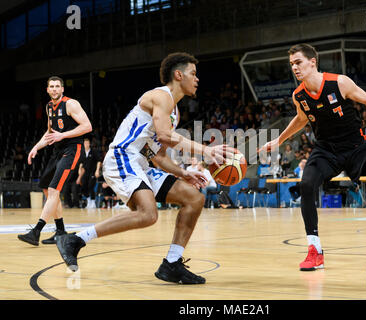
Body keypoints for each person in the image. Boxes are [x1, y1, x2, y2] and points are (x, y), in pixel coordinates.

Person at [55, 52, 234, 284]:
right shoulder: (161, 96)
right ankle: (75, 240)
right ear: (178, 75)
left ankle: (171, 264)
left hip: (139, 161)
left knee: (194, 199)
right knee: (148, 214)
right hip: (121, 156)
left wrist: (184, 173)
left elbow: (157, 156)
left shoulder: (175, 113)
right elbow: (164, 135)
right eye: (193, 74)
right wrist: (206, 150)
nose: (197, 79)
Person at [258, 43, 366, 271]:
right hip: (326, 150)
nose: (295, 68)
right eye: (291, 64)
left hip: (357, 146)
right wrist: (278, 140)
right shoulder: (298, 95)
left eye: (298, 62)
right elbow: (301, 118)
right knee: (307, 184)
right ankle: (315, 250)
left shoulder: (339, 82)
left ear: (313, 62)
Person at [18, 76, 92, 246]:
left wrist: (63, 135)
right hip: (58, 151)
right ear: (47, 90)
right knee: (45, 186)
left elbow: (87, 126)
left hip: (73, 150)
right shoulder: (49, 107)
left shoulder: (71, 104)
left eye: (57, 86)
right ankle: (60, 231)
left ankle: (36, 231)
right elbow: (49, 132)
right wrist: (36, 147)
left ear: (62, 89)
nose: (54, 89)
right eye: (51, 86)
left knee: (53, 190)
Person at [77, 137, 102, 208]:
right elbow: (81, 163)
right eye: (85, 143)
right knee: (84, 187)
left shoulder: (93, 151)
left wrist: (97, 170)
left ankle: (93, 202)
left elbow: (99, 161)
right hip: (85, 173)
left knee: (91, 186)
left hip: (92, 172)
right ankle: (88, 200)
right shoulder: (82, 153)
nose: (86, 144)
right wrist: (79, 169)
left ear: (89, 144)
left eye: (87, 143)